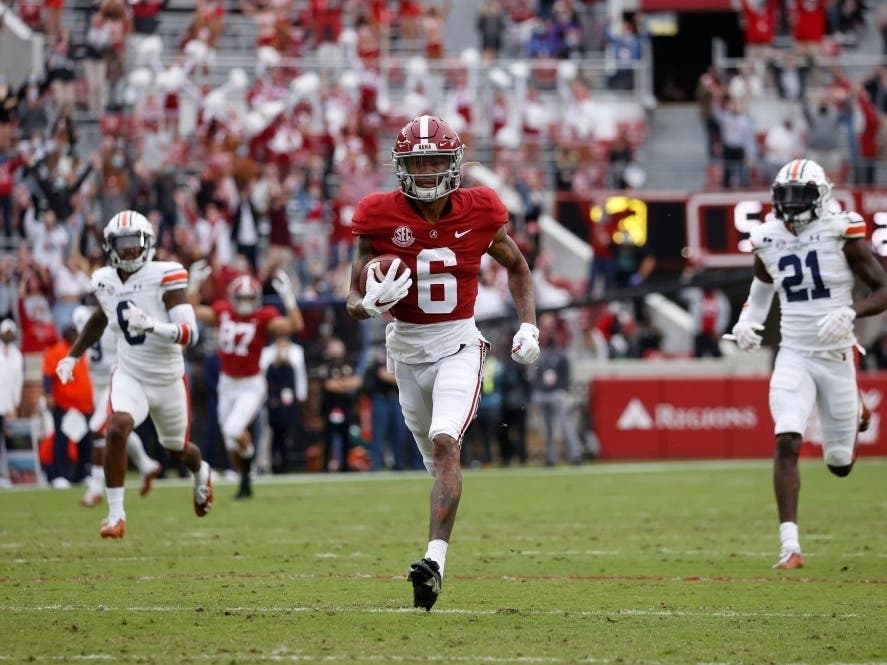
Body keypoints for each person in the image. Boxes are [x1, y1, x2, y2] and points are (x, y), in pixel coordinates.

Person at [346, 114, 541, 611]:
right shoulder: (377, 214)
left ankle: (433, 562)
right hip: (405, 351)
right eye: (419, 161)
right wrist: (366, 304)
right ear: (402, 166)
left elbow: (517, 265)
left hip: (458, 343)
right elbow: (351, 295)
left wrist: (528, 324)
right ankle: (436, 547)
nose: (429, 170)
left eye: (436, 160)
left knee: (446, 444)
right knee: (433, 460)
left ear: (454, 163)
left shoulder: (480, 209)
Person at [729, 159, 887, 569]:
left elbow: (883, 289)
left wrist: (853, 312)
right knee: (787, 439)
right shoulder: (766, 237)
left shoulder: (841, 232)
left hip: (836, 355)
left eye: (801, 197)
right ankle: (790, 546)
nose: (792, 205)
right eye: (785, 197)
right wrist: (748, 322)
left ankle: (854, 406)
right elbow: (761, 290)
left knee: (839, 464)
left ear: (821, 198)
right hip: (794, 353)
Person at [55, 210, 212, 539]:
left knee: (178, 450)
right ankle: (115, 515)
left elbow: (189, 333)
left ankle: (202, 474)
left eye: (133, 242)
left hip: (168, 378)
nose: (127, 250)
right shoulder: (104, 280)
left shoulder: (166, 275)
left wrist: (153, 325)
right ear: (109, 246)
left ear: (148, 243)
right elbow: (101, 318)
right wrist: (72, 356)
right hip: (130, 374)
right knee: (116, 427)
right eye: (121, 243)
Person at [187, 262, 303, 498]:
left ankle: (247, 464)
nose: (245, 303)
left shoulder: (263, 317)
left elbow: (296, 325)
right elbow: (192, 311)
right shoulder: (222, 312)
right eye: (241, 297)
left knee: (233, 429)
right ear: (232, 296)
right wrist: (194, 284)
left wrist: (288, 298)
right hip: (227, 383)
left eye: (250, 298)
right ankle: (245, 479)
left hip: (251, 384)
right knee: (232, 442)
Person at [70, 304, 162, 508]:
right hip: (97, 383)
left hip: (114, 378)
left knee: (97, 430)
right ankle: (147, 464)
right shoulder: (87, 314)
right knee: (115, 431)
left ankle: (95, 489)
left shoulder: (115, 314)